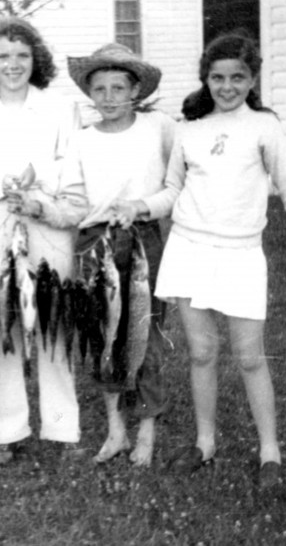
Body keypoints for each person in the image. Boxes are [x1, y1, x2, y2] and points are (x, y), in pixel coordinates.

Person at [147, 33, 286, 488]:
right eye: (217, 77)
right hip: (189, 250)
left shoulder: (265, 126)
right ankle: (205, 442)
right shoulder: (188, 128)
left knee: (249, 357)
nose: (227, 87)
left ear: (252, 78)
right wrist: (138, 208)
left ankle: (270, 452)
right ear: (206, 79)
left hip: (241, 255)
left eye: (237, 77)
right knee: (202, 353)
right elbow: (171, 192)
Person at [0, 17, 88, 465]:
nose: (13, 65)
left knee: (53, 321)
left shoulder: (60, 108)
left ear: (36, 59)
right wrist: (6, 187)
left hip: (47, 220)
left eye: (22, 56)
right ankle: (6, 430)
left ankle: (62, 429)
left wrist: (35, 192)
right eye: (3, 56)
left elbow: (71, 168)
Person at [65, 43, 175, 467]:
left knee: (145, 338)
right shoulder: (82, 141)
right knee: (103, 336)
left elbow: (175, 186)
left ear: (136, 91)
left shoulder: (158, 128)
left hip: (143, 236)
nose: (109, 97)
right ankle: (116, 431)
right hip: (96, 241)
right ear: (89, 94)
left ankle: (146, 431)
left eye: (118, 87)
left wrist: (141, 207)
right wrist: (40, 206)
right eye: (100, 88)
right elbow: (73, 202)